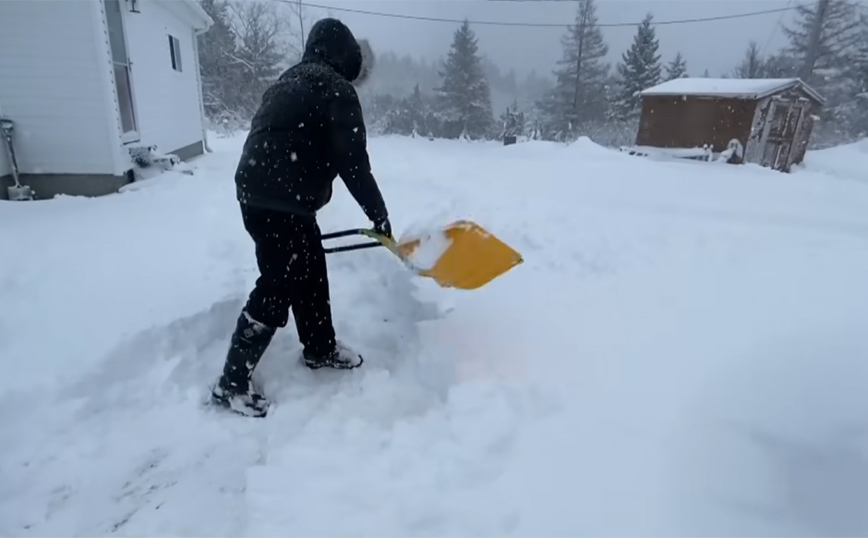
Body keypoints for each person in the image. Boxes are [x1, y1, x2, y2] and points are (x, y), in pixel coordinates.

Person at [211, 18, 392, 418]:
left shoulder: (288, 81)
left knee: (309, 265)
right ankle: (231, 382)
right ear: (345, 59)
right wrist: (378, 215)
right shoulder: (336, 89)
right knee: (279, 282)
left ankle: (319, 347)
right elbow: (354, 162)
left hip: (260, 192)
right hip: (281, 198)